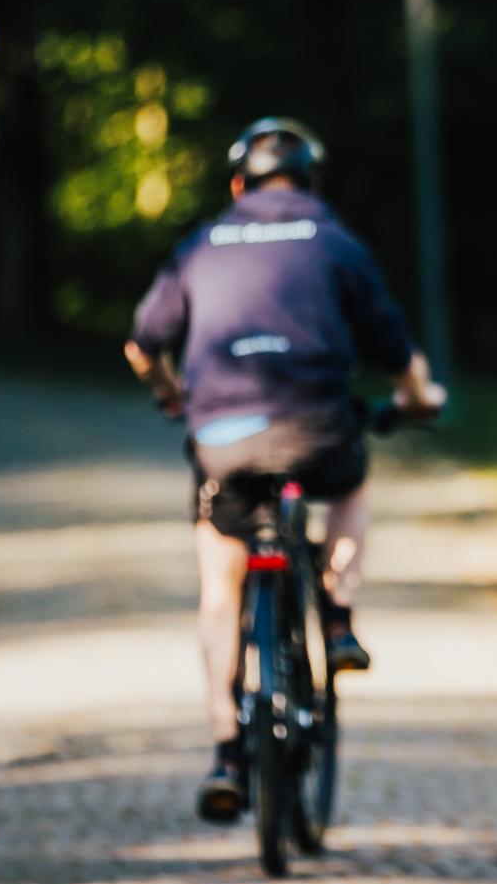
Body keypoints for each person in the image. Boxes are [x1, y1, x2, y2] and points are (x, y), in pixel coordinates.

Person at [125, 117, 445, 821]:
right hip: (316, 430)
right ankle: (337, 620)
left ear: (238, 184)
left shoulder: (199, 245)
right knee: (350, 483)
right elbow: (394, 346)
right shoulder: (334, 241)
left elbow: (142, 344)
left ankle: (227, 754)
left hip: (222, 437)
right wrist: (418, 398)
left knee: (218, 587)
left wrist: (171, 395)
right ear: (309, 182)